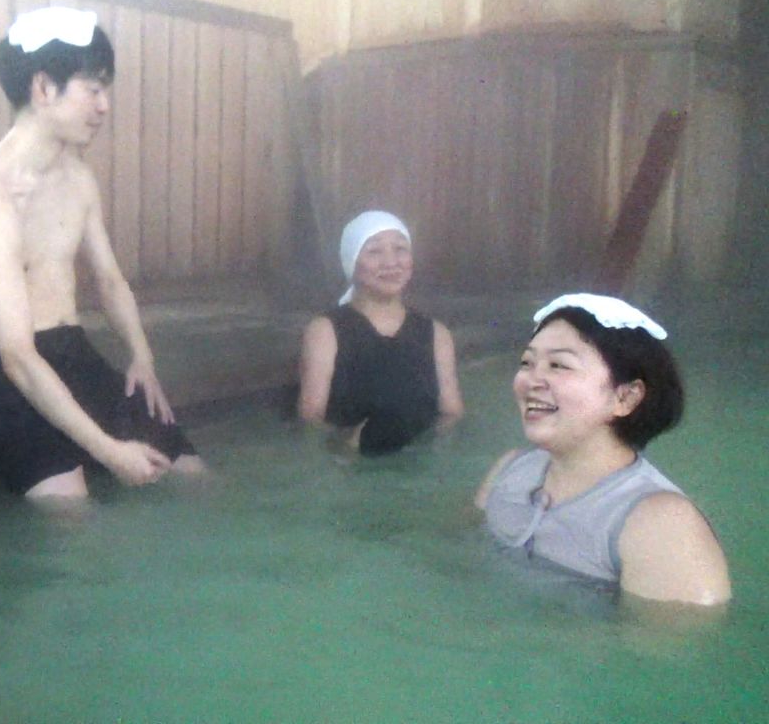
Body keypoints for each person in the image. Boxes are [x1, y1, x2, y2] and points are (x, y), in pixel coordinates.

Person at [0, 6, 203, 501]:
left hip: (73, 354)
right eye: (93, 89)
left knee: (192, 475)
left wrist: (142, 356)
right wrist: (111, 452)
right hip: (4, 376)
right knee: (72, 510)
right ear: (44, 88)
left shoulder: (78, 179)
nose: (105, 106)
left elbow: (109, 280)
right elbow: (17, 356)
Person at [474, 293, 730, 605]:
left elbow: (677, 635)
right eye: (527, 363)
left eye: (559, 365)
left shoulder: (661, 524)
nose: (531, 380)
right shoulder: (511, 470)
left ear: (625, 398)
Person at [297, 210, 463, 455]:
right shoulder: (325, 331)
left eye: (400, 249)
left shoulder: (437, 334)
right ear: (352, 262)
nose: (391, 262)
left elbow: (452, 413)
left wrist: (428, 448)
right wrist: (348, 445)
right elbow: (311, 417)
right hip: (350, 459)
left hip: (419, 457)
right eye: (374, 251)